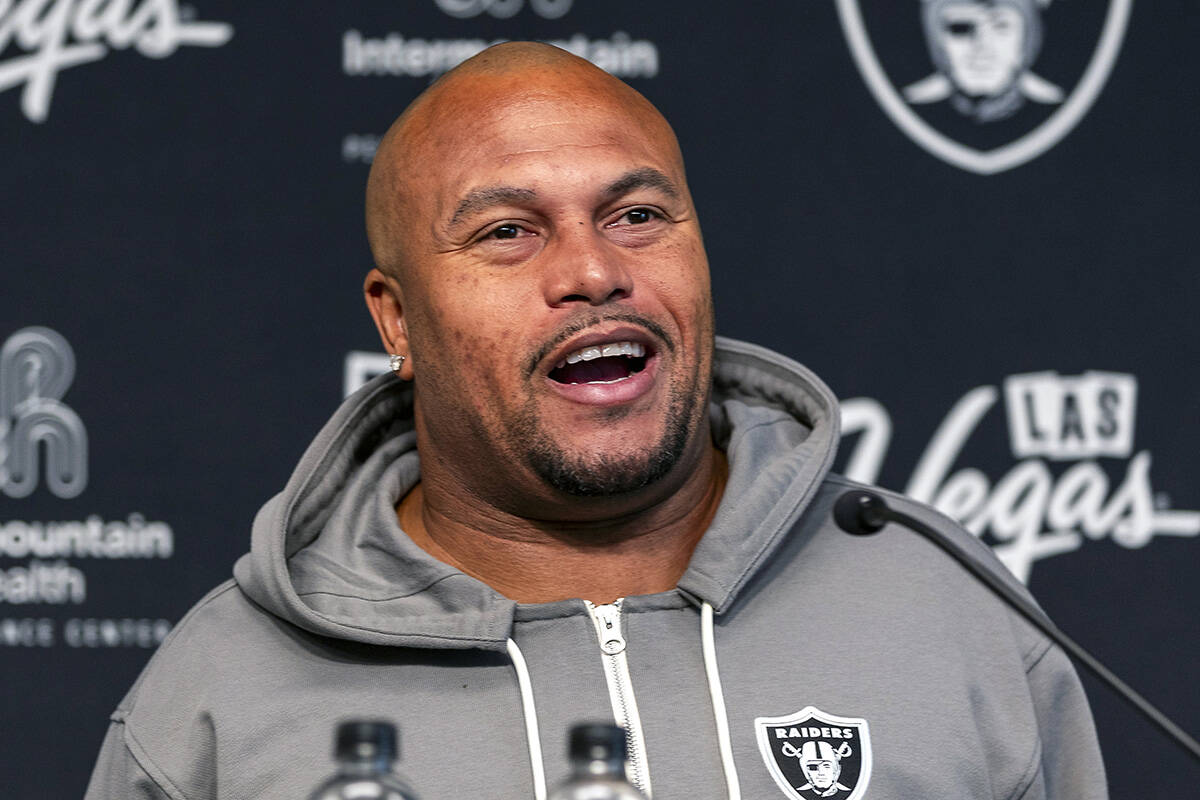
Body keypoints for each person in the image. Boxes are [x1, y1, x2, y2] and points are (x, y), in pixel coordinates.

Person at [85, 42, 1107, 799]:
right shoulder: (216, 701)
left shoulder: (949, 613)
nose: (590, 271)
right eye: (507, 231)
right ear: (396, 318)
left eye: (637, 215)